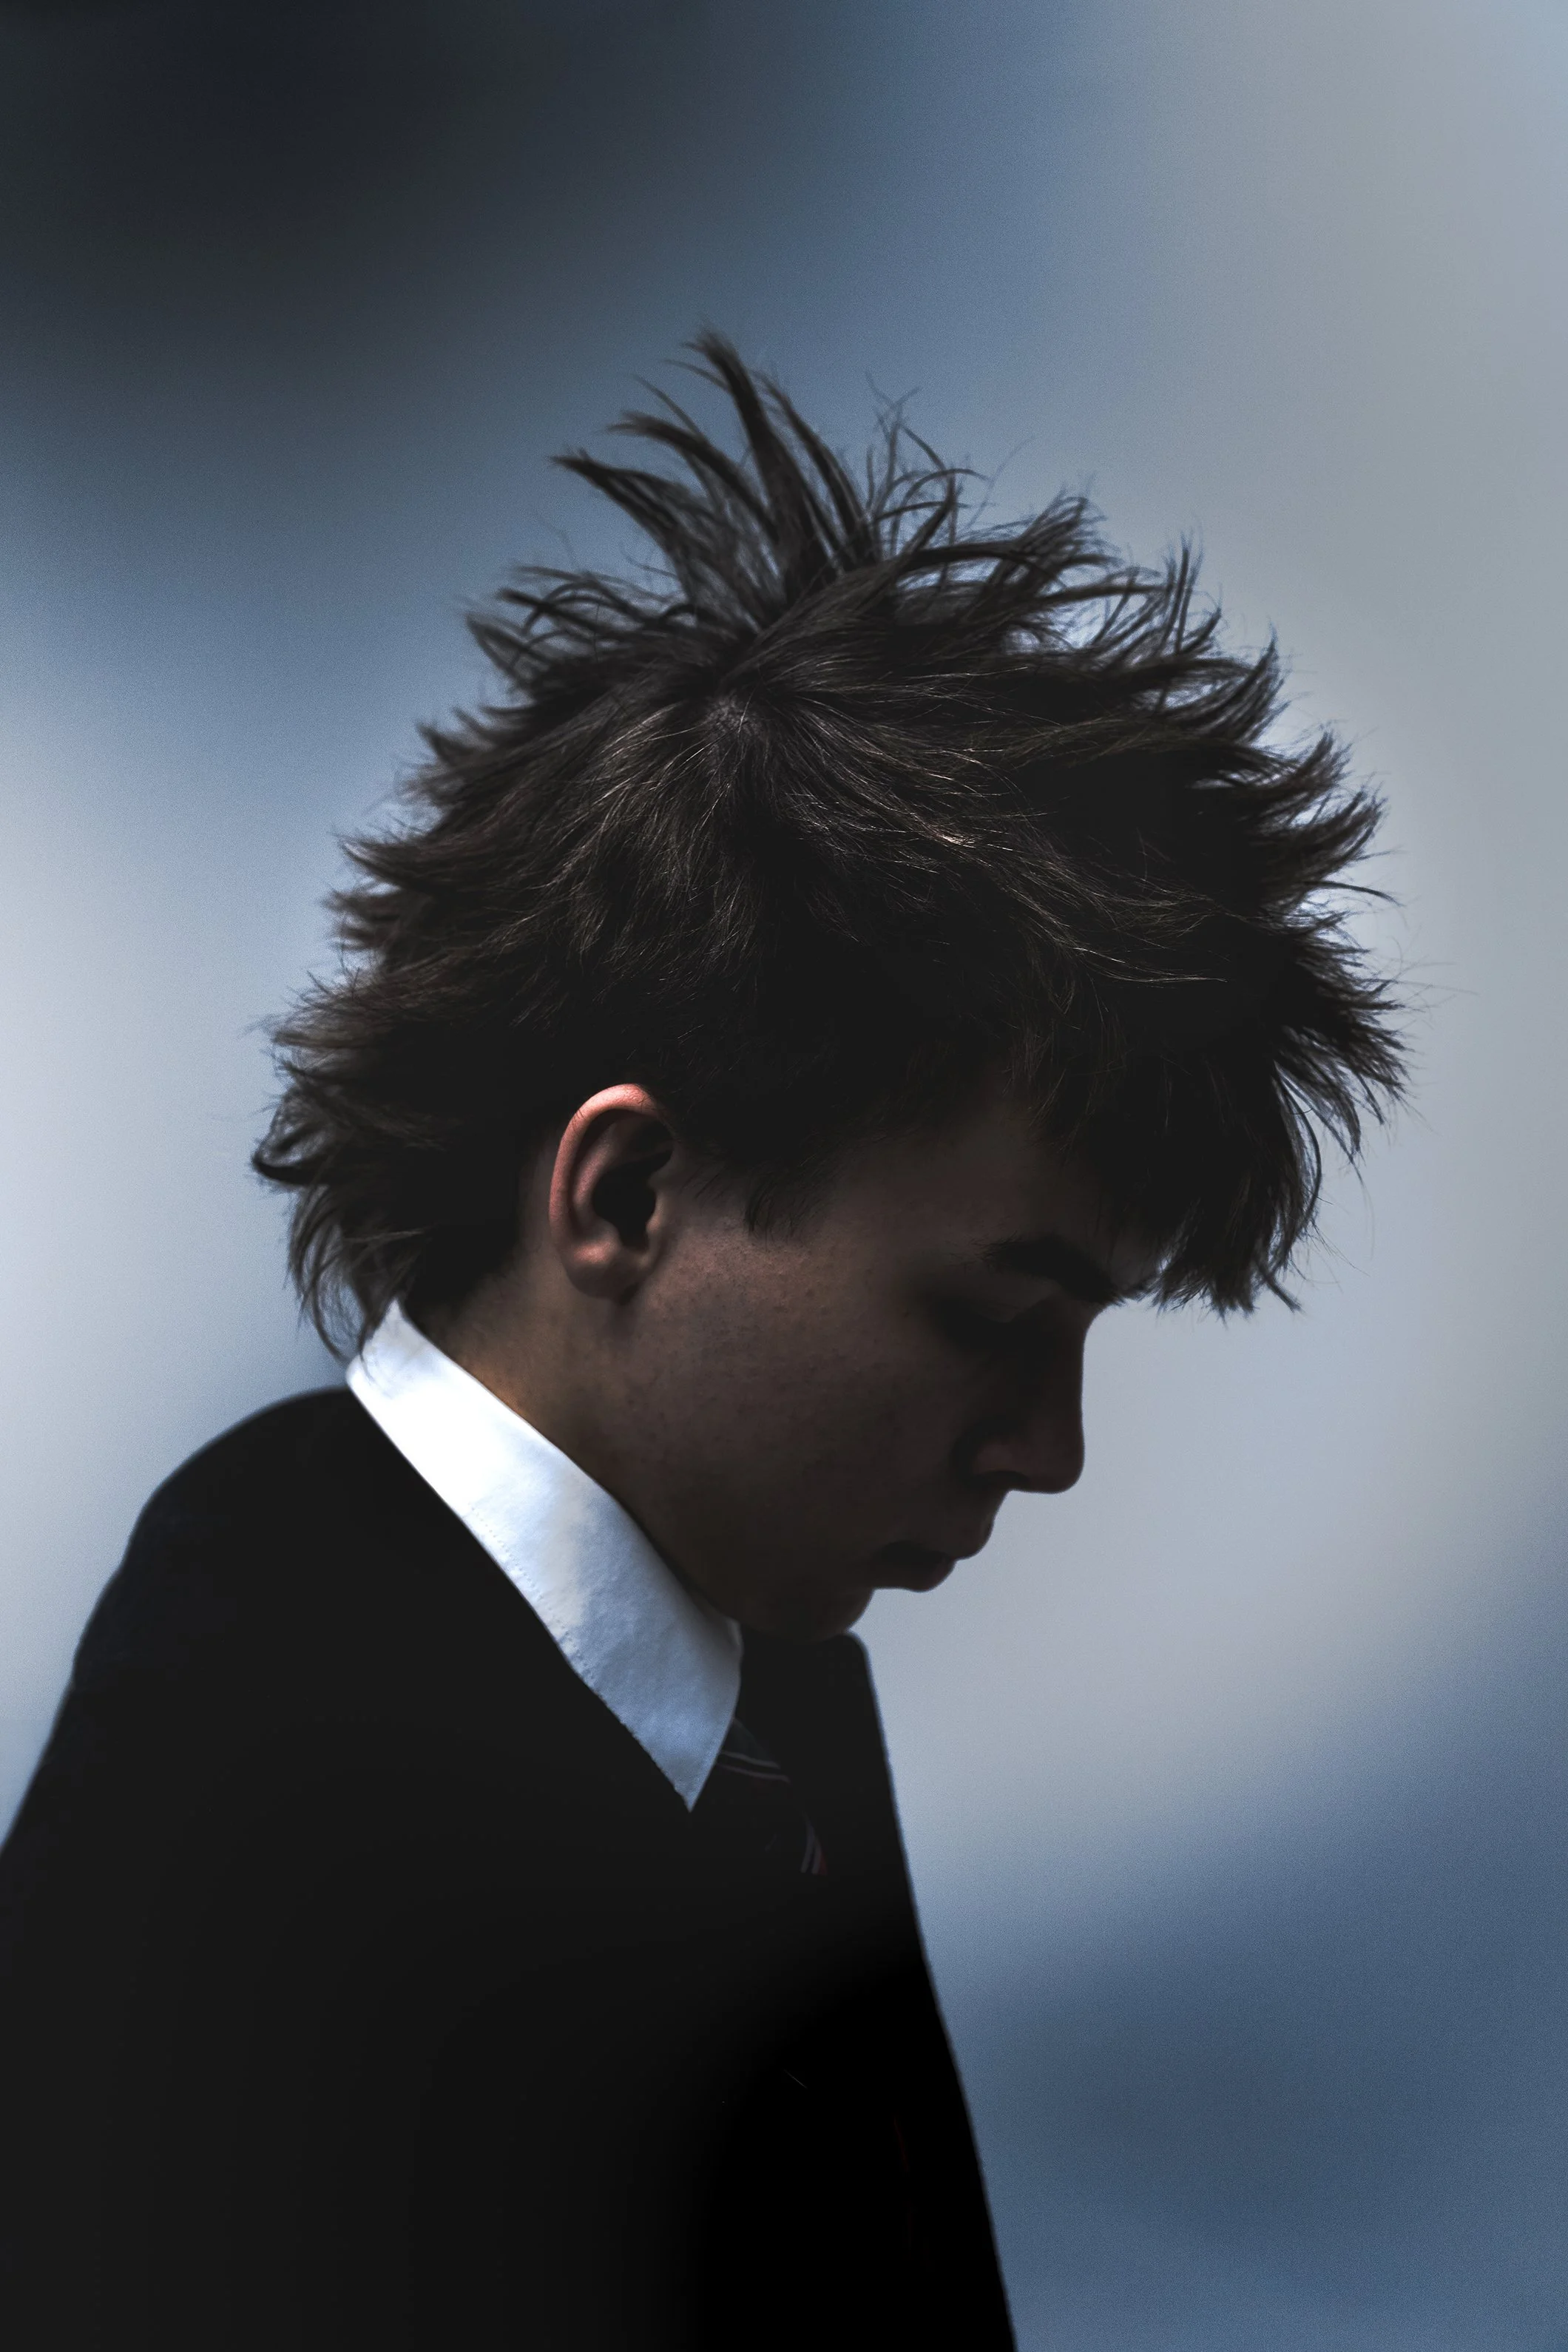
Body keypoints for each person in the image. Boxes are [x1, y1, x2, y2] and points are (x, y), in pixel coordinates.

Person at [0, 337, 1402, 2349]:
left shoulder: (752, 1678)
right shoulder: (260, 1773)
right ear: (625, 1199)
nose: (1049, 1447)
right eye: (993, 1316)